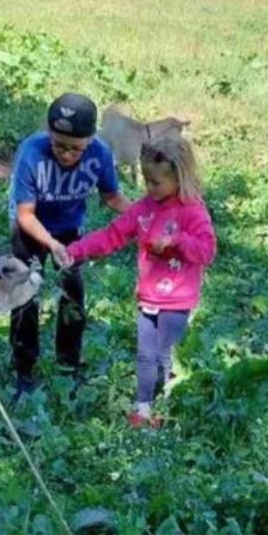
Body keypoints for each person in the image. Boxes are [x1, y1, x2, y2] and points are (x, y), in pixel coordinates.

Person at [66, 136, 216, 428]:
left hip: (177, 299)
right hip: (148, 297)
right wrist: (74, 251)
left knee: (162, 355)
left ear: (179, 177)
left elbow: (207, 250)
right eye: (146, 180)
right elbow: (112, 234)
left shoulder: (192, 210)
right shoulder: (145, 208)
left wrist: (176, 241)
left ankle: (167, 402)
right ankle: (143, 408)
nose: (149, 187)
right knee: (145, 355)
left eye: (156, 182)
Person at [8, 93, 131, 397]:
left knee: (73, 293)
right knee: (25, 295)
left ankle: (69, 365)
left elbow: (112, 197)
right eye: (59, 145)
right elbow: (25, 214)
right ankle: (24, 370)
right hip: (32, 229)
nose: (66, 155)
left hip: (69, 230)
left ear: (90, 140)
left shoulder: (100, 154)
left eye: (75, 148)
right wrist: (49, 244)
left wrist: (145, 216)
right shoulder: (31, 153)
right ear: (49, 135)